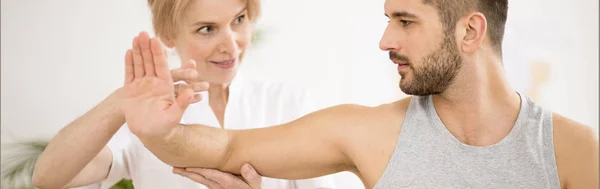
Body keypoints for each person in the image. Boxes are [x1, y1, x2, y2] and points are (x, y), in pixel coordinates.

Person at [120, 0, 599, 188]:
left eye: (405, 21)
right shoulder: (367, 132)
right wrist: (159, 131)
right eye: (387, 20)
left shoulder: (574, 153)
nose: (386, 41)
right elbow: (228, 147)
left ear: (470, 31)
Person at [31, 0, 336, 188]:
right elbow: (49, 177)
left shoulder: (289, 104)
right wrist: (121, 101)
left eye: (238, 20)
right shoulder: (145, 120)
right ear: (167, 35)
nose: (231, 44)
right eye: (207, 29)